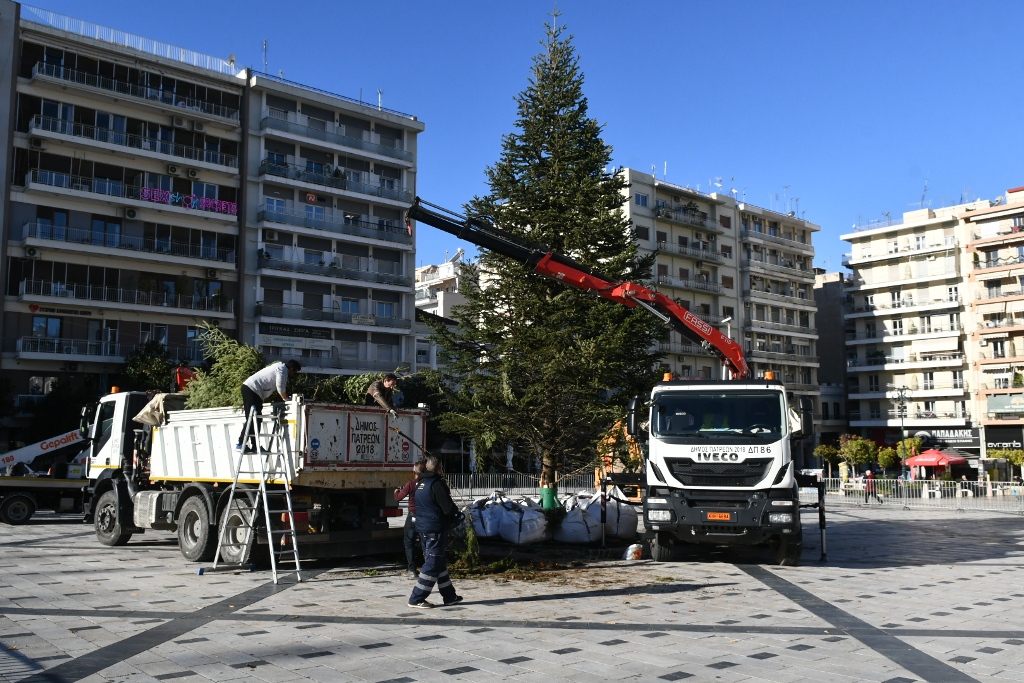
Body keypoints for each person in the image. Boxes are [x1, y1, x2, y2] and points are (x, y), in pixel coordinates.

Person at [407, 455, 462, 609]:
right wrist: (457, 516)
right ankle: (416, 598)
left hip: (423, 528)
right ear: (440, 468)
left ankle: (450, 596)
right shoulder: (437, 484)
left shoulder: (421, 483)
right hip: (435, 529)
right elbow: (448, 508)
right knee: (432, 563)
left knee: (439, 562)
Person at [235, 360, 301, 453]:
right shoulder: (282, 370)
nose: (294, 374)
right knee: (252, 418)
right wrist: (288, 400)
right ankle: (240, 444)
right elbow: (280, 387)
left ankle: (255, 446)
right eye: (294, 372)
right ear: (291, 368)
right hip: (251, 389)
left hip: (255, 392)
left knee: (257, 419)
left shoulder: (280, 368)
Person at [395, 459, 425, 578]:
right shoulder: (427, 483)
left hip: (413, 515)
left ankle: (412, 569)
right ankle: (428, 567)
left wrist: (396, 492)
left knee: (409, 542)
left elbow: (398, 498)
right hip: (425, 517)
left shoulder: (410, 484)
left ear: (414, 471)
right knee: (425, 542)